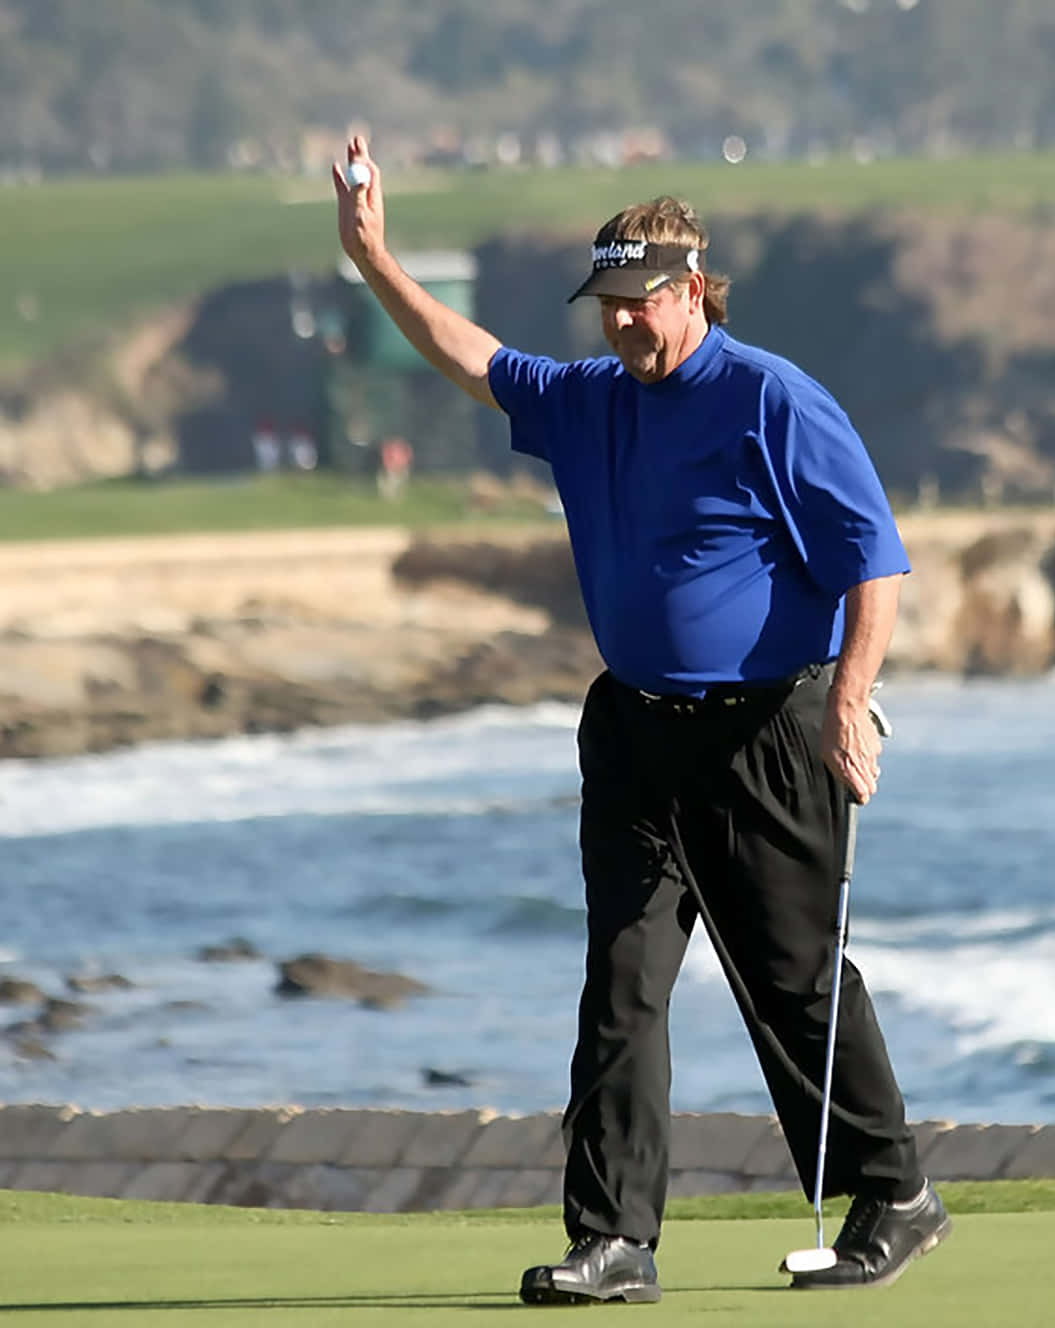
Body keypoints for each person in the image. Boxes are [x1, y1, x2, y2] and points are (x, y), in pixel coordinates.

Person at [333, 135, 948, 1303]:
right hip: (631, 732)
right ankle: (614, 1236)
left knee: (793, 980)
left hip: (766, 729)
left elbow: (874, 561)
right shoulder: (587, 403)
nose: (617, 325)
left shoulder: (770, 396)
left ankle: (895, 1192)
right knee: (622, 979)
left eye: (634, 303)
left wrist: (850, 702)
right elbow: (473, 357)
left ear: (687, 290)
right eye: (604, 306)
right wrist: (375, 260)